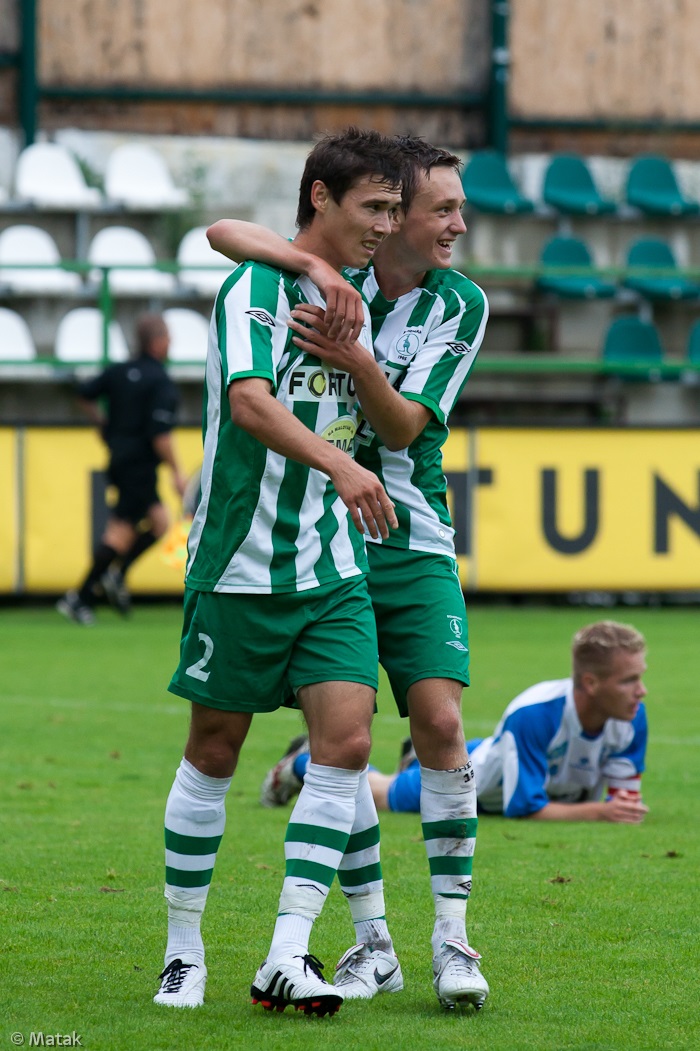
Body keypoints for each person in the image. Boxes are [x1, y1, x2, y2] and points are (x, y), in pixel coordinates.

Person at [207, 135, 490, 1010]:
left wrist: (354, 356)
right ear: (394, 214)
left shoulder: (460, 302)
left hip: (412, 531)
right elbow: (221, 232)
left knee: (440, 720)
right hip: (329, 532)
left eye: (456, 208)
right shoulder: (339, 274)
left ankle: (454, 939)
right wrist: (310, 268)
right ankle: (374, 941)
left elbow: (404, 428)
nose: (456, 224)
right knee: (349, 730)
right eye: (441, 208)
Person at [153, 128, 405, 1016]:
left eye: (395, 209)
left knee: (346, 746)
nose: (387, 224)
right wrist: (341, 465)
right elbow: (250, 401)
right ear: (321, 199)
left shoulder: (365, 296)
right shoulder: (254, 286)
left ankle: (287, 952)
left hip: (331, 566)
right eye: (374, 206)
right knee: (214, 752)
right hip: (240, 562)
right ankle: (183, 950)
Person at [311, 621, 649, 822]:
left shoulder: (632, 716)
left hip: (498, 753)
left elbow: (623, 805)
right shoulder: (535, 714)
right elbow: (525, 809)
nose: (641, 691)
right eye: (628, 680)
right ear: (590, 683)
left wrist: (616, 809)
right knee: (383, 794)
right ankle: (297, 763)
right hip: (476, 780)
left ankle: (417, 758)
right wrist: (598, 813)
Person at [56, 313, 186, 625]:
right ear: (157, 342)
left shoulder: (118, 371)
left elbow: (83, 393)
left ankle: (116, 576)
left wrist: (101, 422)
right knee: (120, 533)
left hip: (120, 460)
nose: (171, 343)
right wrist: (177, 471)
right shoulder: (159, 380)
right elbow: (160, 436)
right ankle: (81, 597)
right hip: (139, 466)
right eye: (168, 337)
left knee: (158, 522)